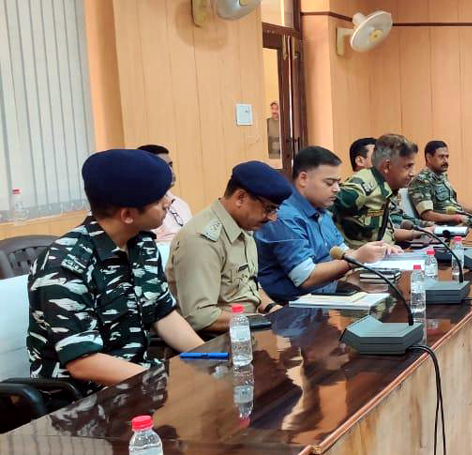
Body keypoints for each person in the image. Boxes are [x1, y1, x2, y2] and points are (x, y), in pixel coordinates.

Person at [26, 149, 205, 395]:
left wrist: (207, 359)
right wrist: (165, 384)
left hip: (139, 385)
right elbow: (84, 362)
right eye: (158, 198)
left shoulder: (141, 244)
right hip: (83, 405)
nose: (168, 202)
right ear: (127, 215)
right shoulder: (64, 264)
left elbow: (163, 315)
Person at [255, 146, 396, 302]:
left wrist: (377, 251)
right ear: (303, 179)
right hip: (291, 309)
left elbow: (342, 251)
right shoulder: (284, 216)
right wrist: (357, 258)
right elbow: (305, 277)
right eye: (329, 183)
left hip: (325, 296)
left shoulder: (320, 209)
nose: (337, 189)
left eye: (338, 182)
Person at [166, 161, 291, 333]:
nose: (272, 218)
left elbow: (248, 289)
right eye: (268, 209)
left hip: (247, 329)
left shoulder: (242, 228)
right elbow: (201, 317)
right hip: (213, 343)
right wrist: (262, 321)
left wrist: (274, 310)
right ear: (240, 197)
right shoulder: (201, 240)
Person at [333, 134, 427, 248]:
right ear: (387, 166)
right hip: (360, 262)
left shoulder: (386, 189)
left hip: (384, 255)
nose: (413, 173)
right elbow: (322, 211)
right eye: (408, 166)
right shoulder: (361, 188)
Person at [409, 140, 472, 225]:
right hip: (445, 228)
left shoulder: (441, 176)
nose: (446, 161)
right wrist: (457, 217)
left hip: (460, 222)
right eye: (441, 157)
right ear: (429, 158)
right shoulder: (422, 181)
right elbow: (427, 215)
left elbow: (454, 202)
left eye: (447, 157)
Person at [139, 144, 192, 245]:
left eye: (170, 165)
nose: (171, 171)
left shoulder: (181, 204)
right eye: (164, 166)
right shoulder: (143, 209)